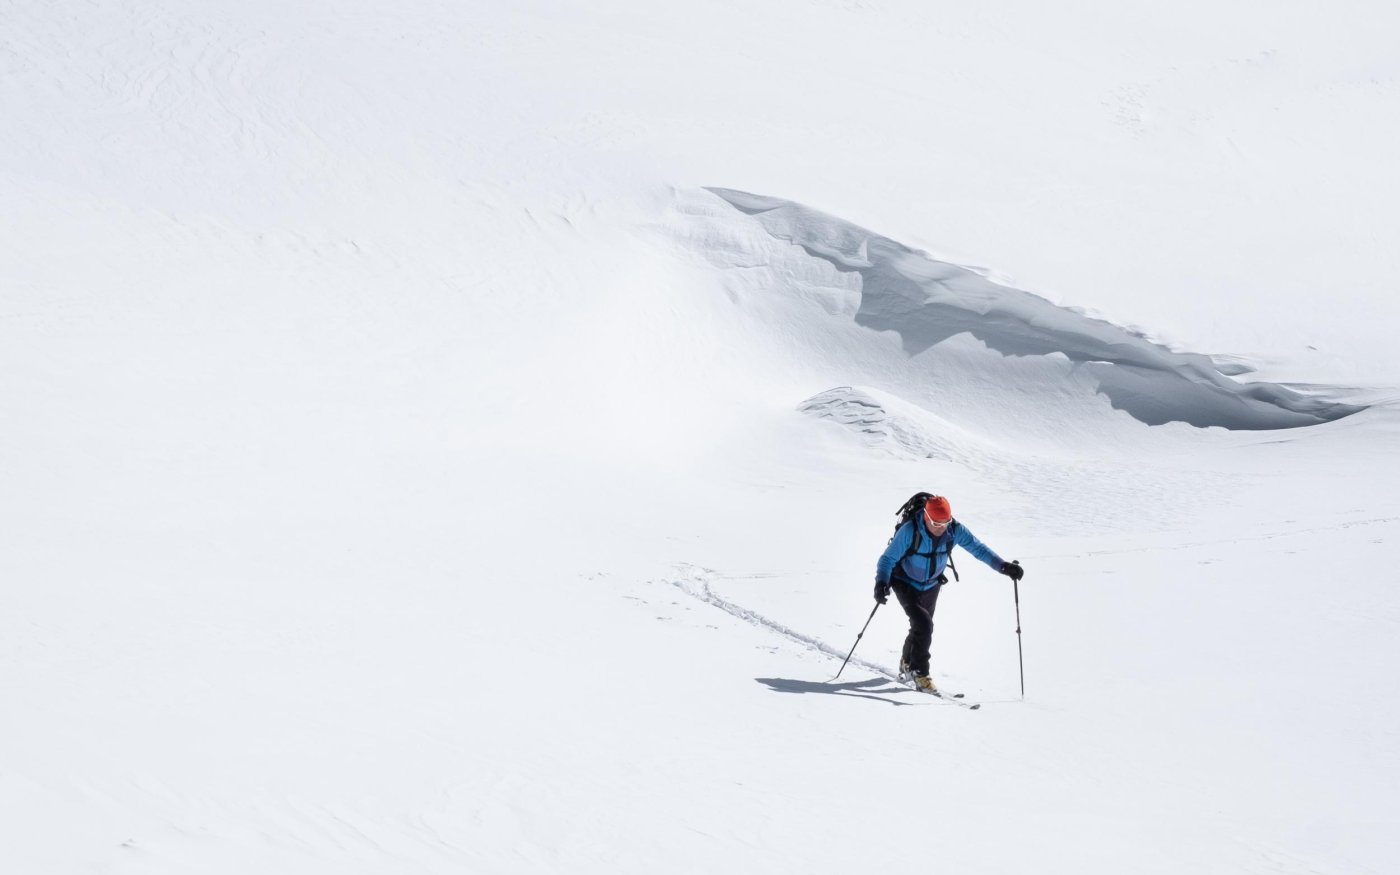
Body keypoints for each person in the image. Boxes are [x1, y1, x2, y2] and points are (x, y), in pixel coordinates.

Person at [873, 494, 1024, 692]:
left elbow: (978, 548)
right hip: (904, 582)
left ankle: (907, 661)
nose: (941, 527)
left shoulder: (954, 530)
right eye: (936, 522)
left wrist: (1003, 566)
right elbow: (887, 559)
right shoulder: (910, 530)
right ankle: (921, 673)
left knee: (920, 627)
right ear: (926, 516)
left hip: (931, 585)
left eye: (945, 522)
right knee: (924, 625)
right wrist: (881, 582)